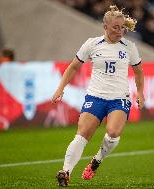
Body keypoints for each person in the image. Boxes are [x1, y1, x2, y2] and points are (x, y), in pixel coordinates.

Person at [51, 5, 145, 187]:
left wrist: (140, 93)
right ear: (105, 27)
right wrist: (60, 88)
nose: (120, 31)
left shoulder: (129, 47)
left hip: (119, 98)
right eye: (115, 27)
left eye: (122, 27)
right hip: (95, 97)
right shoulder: (92, 44)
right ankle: (66, 172)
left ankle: (97, 159)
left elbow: (139, 72)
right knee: (82, 134)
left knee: (113, 132)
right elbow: (73, 67)